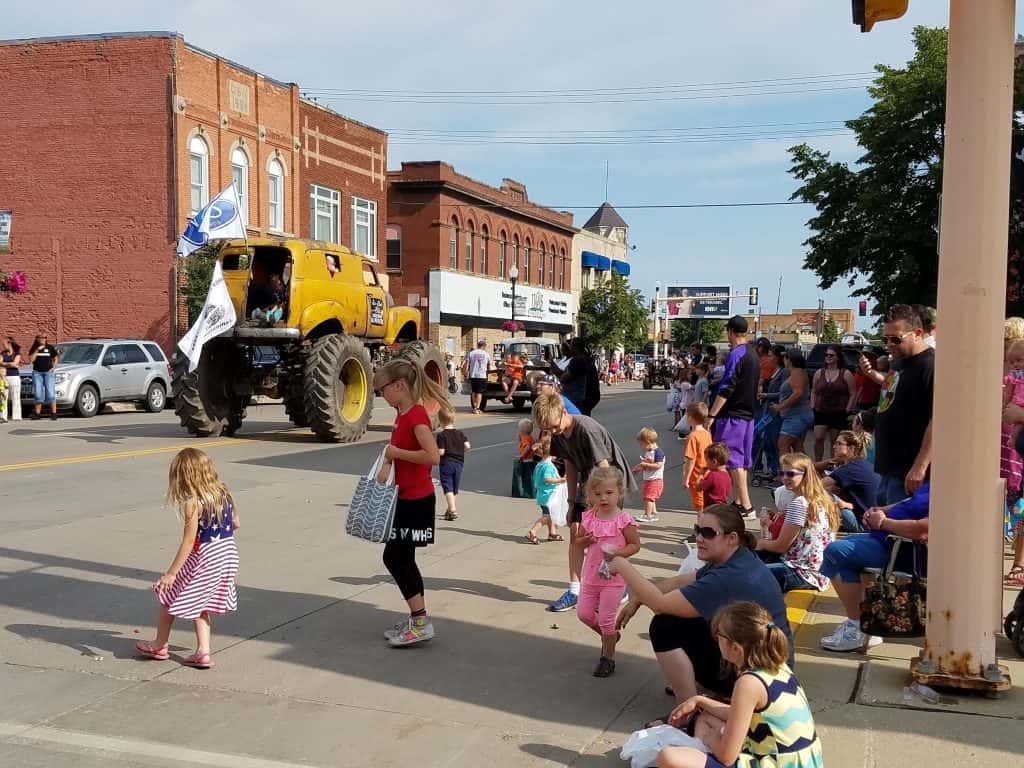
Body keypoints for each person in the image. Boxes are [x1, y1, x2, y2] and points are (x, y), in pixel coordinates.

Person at [612, 504, 793, 709]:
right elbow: (681, 582)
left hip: (760, 682)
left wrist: (621, 564)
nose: (699, 538)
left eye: (707, 533)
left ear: (731, 537)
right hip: (773, 673)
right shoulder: (737, 557)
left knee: (664, 626)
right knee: (692, 617)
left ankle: (688, 712)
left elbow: (661, 605)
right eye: (697, 530)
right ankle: (708, 690)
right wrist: (637, 599)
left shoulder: (726, 577)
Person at [656, 601, 823, 768]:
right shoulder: (777, 666)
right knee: (704, 718)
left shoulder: (748, 683)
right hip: (798, 760)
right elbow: (740, 715)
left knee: (669, 757)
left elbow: (726, 757)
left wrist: (709, 737)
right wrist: (700, 701)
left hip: (776, 763)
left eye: (718, 636)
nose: (716, 640)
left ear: (736, 648)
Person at [135, 448, 240, 669]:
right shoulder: (224, 493)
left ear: (183, 476)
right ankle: (203, 652)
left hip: (205, 556)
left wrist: (171, 574)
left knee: (167, 594)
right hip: (227, 553)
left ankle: (159, 644)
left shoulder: (193, 503)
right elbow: (236, 523)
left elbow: (188, 541)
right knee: (201, 602)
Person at [373, 358, 452, 647]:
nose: (381, 394)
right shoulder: (403, 414)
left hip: (416, 499)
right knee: (401, 558)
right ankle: (417, 617)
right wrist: (390, 458)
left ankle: (420, 621)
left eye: (382, 389)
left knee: (396, 558)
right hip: (405, 496)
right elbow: (400, 451)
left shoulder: (416, 416)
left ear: (399, 385)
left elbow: (432, 456)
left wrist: (395, 452)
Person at [532, 392, 636, 613]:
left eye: (553, 427)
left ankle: (619, 587)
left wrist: (601, 505)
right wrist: (571, 503)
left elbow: (604, 467)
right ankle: (574, 590)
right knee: (577, 535)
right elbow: (570, 465)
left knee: (604, 540)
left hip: (607, 484)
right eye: (547, 429)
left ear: (563, 411)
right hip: (587, 483)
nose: (552, 432)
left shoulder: (585, 429)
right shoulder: (559, 434)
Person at [819, 483, 930, 652]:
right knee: (844, 546)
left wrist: (883, 522)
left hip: (903, 550)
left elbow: (922, 530)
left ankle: (857, 627)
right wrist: (879, 510)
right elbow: (909, 502)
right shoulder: (937, 482)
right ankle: (869, 621)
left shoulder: (952, 493)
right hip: (888, 540)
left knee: (837, 552)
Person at [859, 304, 934, 504]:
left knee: (897, 531)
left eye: (896, 339)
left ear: (917, 333)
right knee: (880, 530)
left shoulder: (930, 365)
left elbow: (938, 421)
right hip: (887, 467)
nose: (889, 344)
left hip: (908, 471)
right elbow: (892, 390)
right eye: (886, 339)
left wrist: (920, 466)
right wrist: (871, 374)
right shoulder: (899, 361)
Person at [576, 467, 640, 677]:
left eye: (608, 493)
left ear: (619, 492)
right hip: (591, 576)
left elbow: (635, 545)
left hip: (614, 579)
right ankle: (610, 636)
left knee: (606, 619)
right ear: (590, 495)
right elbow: (578, 543)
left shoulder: (623, 520)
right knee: (584, 614)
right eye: (597, 494)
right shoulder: (589, 517)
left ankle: (608, 658)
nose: (603, 498)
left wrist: (619, 554)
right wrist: (586, 540)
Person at [755, 453, 837, 593]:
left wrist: (760, 543)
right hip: (818, 570)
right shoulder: (823, 498)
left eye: (790, 474)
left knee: (743, 574)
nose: (785, 478)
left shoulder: (799, 504)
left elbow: (780, 546)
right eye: (782, 473)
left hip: (801, 571)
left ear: (805, 475)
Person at [707, 316, 760, 516]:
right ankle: (739, 501)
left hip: (733, 415)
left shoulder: (737, 354)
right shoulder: (753, 354)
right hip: (748, 414)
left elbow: (728, 386)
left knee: (733, 459)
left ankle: (746, 505)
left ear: (730, 331)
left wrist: (713, 413)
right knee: (742, 461)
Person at [818, 430, 879, 533]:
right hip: (872, 521)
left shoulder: (850, 469)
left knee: (821, 494)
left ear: (851, 448)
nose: (834, 447)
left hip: (863, 525)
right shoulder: (861, 465)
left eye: (839, 444)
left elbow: (815, 486)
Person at [810, 344, 856, 462]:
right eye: (826, 355)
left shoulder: (845, 373)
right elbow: (814, 390)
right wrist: (812, 405)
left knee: (834, 441)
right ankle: (818, 463)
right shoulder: (819, 373)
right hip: (820, 411)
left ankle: (832, 465)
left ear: (838, 357)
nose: (828, 357)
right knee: (818, 438)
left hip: (838, 412)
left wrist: (847, 409)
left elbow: (853, 393)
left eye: (831, 355)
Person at [772, 348, 812, 458]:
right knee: (797, 447)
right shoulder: (794, 372)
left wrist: (780, 406)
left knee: (783, 444)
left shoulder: (797, 372)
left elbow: (798, 393)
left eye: (785, 357)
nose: (783, 359)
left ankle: (786, 474)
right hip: (794, 415)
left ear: (789, 359)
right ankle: (811, 473)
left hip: (797, 416)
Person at [526, 436, 565, 544]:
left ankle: (552, 533)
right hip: (548, 496)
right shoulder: (548, 466)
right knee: (546, 516)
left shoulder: (540, 464)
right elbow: (547, 479)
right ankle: (532, 532)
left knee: (550, 515)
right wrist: (560, 481)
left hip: (543, 494)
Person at [435, 410, 470, 521]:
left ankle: (453, 509)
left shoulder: (441, 435)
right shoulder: (460, 433)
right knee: (455, 486)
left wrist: (433, 452)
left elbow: (441, 452)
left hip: (446, 463)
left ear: (440, 422)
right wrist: (460, 450)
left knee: (447, 486)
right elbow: (468, 446)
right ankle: (450, 509)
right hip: (459, 463)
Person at [683, 402, 713, 512]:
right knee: (707, 501)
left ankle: (703, 525)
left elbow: (691, 460)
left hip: (697, 476)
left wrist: (686, 478)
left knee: (700, 505)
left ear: (690, 417)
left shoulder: (692, 436)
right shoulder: (707, 433)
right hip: (708, 473)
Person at [633, 427, 666, 523]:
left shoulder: (658, 452)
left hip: (655, 480)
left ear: (648, 442)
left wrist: (646, 464)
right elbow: (646, 464)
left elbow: (659, 465)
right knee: (650, 497)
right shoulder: (649, 452)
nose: (641, 446)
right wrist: (639, 468)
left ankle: (648, 515)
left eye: (642, 444)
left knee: (648, 497)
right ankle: (654, 513)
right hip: (649, 479)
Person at [27, 334, 59, 421]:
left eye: (44, 337)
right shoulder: (34, 348)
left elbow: (56, 357)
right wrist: (37, 350)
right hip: (37, 373)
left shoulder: (50, 347)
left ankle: (54, 413)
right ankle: (37, 414)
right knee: (38, 393)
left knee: (50, 392)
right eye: (40, 337)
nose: (43, 339)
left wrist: (54, 367)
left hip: (48, 373)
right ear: (37, 339)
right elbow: (31, 360)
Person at [698, 443, 733, 507]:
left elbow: (698, 488)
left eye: (707, 460)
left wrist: (701, 474)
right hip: (722, 507)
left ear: (714, 462)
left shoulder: (712, 475)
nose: (706, 463)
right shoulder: (727, 475)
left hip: (711, 507)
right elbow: (727, 492)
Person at [463, 339, 491, 414]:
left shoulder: (471, 353)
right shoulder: (486, 354)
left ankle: (474, 406)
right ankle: (477, 408)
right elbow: (489, 365)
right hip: (482, 375)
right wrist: (488, 370)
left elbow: (467, 364)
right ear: (484, 346)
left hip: (473, 375)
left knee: (473, 391)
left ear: (478, 345)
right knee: (479, 392)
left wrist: (465, 373)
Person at [514, 418, 537, 498]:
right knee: (530, 476)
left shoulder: (525, 438)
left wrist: (522, 455)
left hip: (526, 459)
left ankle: (524, 491)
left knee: (525, 476)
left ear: (521, 430)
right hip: (530, 458)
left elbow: (527, 446)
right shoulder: (529, 437)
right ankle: (530, 491)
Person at [2, 337, 21, 421]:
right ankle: (3, 416)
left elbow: (15, 363)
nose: (3, 345)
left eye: (4, 343)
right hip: (4, 377)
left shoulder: (17, 353)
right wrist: (11, 364)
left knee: (15, 396)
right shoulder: (3, 353)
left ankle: (16, 417)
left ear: (9, 343)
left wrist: (4, 364)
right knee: (3, 397)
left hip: (14, 377)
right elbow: (0, 362)